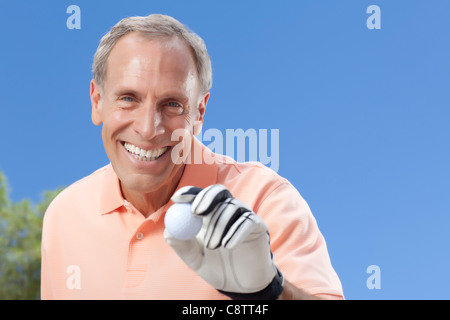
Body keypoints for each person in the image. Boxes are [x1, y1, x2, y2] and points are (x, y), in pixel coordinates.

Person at [41, 14, 344, 300]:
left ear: (199, 113)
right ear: (97, 101)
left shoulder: (266, 200)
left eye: (172, 104)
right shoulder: (63, 216)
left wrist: (270, 291)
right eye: (128, 98)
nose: (148, 129)